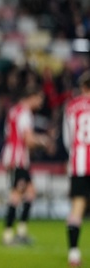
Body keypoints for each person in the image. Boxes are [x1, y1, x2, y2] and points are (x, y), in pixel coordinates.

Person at [0, 84, 49, 246]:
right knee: (16, 194)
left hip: (14, 155)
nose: (41, 102)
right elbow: (28, 140)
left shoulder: (14, 110)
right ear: (32, 97)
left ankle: (21, 231)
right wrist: (43, 141)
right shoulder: (25, 113)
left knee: (31, 191)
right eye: (39, 98)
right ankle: (8, 234)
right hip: (18, 157)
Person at [62, 71, 90, 267]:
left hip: (78, 163)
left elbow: (67, 138)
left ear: (83, 87)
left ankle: (73, 253)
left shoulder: (72, 106)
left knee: (77, 207)